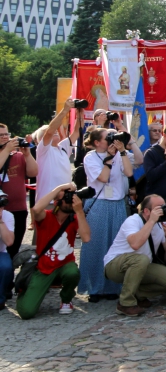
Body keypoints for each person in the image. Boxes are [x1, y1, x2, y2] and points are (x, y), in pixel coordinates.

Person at [15, 183, 92, 318]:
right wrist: (57, 190)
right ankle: (26, 292)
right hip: (44, 267)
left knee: (72, 273)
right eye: (66, 198)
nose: (70, 200)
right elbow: (36, 209)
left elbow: (86, 238)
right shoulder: (47, 216)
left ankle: (66, 299)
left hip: (64, 265)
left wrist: (79, 211)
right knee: (26, 312)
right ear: (57, 202)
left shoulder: (74, 219)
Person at [79, 127, 134, 302]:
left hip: (117, 204)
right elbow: (103, 178)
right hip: (99, 203)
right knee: (96, 246)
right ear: (97, 142)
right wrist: (109, 158)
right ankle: (94, 288)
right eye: (107, 138)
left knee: (115, 246)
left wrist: (123, 152)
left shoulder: (119, 154)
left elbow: (129, 173)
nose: (112, 141)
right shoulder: (90, 157)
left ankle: (112, 286)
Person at [103, 194, 166, 316]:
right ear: (146, 211)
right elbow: (135, 244)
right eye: (158, 208)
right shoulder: (133, 220)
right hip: (115, 265)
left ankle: (138, 294)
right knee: (141, 259)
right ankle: (125, 303)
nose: (162, 210)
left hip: (140, 265)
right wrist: (151, 221)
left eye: (164, 207)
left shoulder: (159, 225)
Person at [1, 124, 39, 258]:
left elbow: (34, 172)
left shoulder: (18, 155)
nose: (5, 137)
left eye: (7, 134)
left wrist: (27, 155)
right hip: (2, 209)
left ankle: (9, 274)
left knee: (14, 246)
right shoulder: (5, 154)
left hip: (19, 209)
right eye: (1, 135)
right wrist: (6, 151)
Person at [33, 99, 78, 206]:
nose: (56, 132)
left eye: (56, 132)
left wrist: (80, 114)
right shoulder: (43, 150)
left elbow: (76, 132)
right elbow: (49, 131)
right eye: (54, 132)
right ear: (41, 139)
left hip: (65, 200)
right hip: (48, 201)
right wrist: (65, 110)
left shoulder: (62, 147)